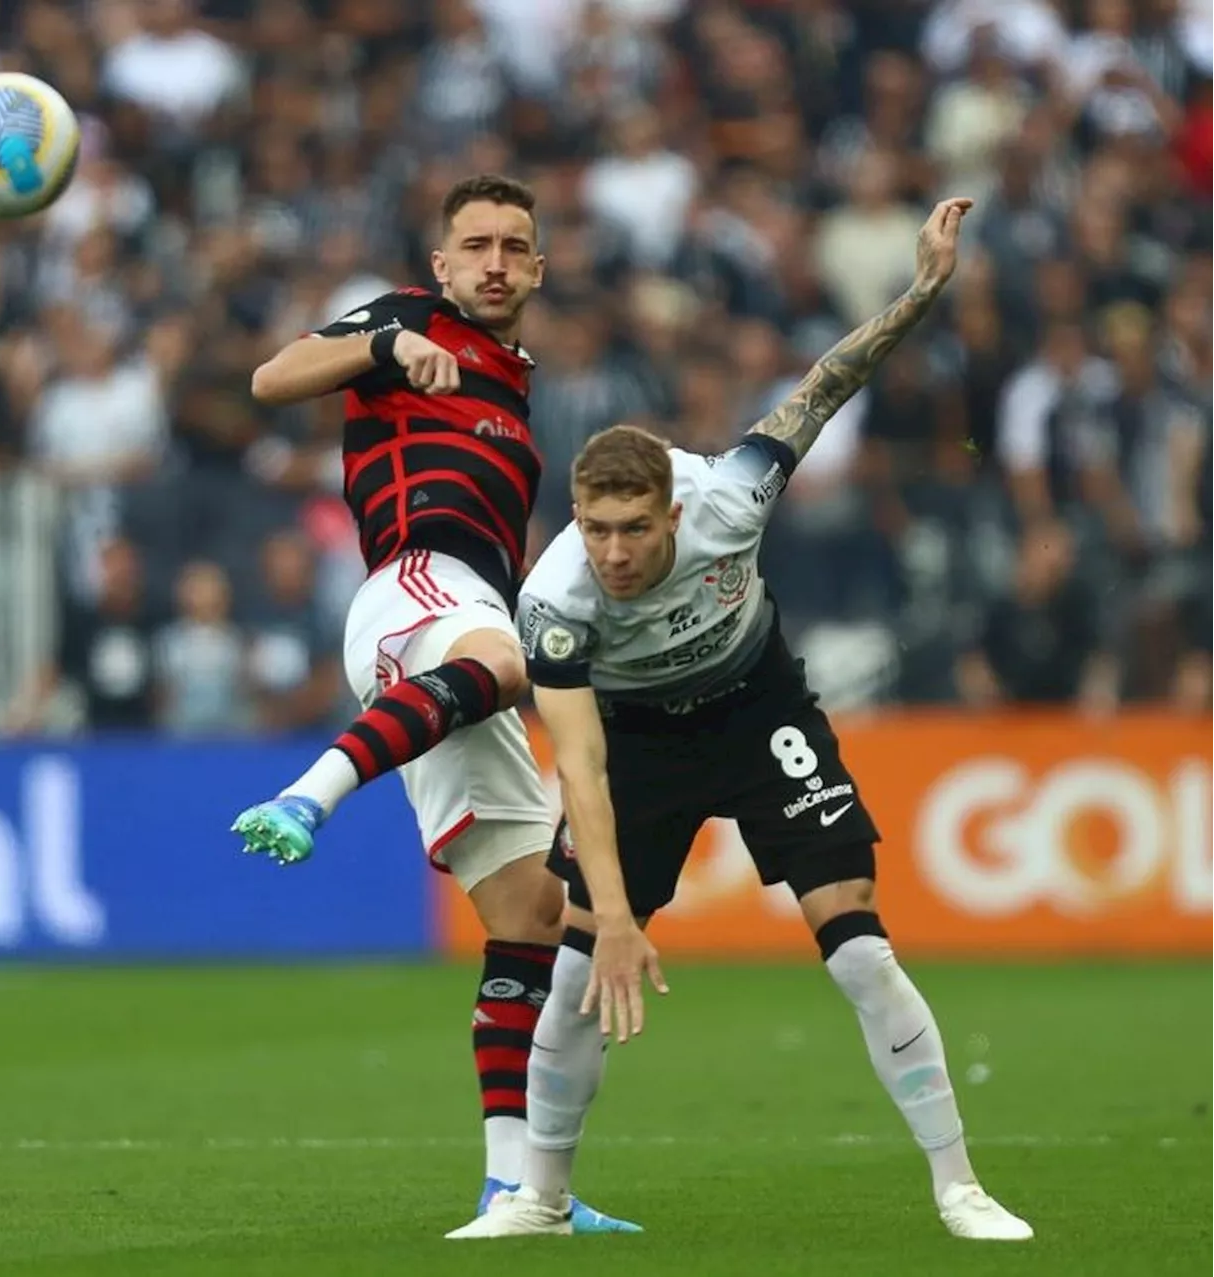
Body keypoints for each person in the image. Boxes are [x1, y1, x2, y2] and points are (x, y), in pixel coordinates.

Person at [449, 198, 1033, 1243]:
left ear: (672, 513)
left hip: (755, 706)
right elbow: (578, 763)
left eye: (633, 530)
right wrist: (619, 915)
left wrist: (921, 290)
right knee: (580, 965)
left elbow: (829, 381)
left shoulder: (731, 494)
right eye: (595, 530)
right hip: (635, 738)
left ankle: (957, 1185)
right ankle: (537, 1195)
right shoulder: (555, 600)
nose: (614, 553)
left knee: (855, 943)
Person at [231, 174, 634, 1232]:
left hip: (463, 618)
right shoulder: (412, 316)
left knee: (530, 918)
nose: (495, 260)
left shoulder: (512, 377)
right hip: (414, 583)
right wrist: (379, 347)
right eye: (475, 244)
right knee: (507, 662)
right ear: (442, 262)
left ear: (539, 267)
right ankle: (311, 792)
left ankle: (516, 1189)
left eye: (514, 245)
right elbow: (273, 377)